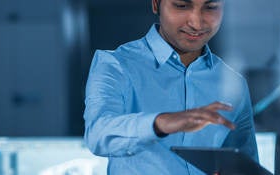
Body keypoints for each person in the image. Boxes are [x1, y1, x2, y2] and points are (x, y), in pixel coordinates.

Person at [83, 0, 258, 174]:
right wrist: (162, 122)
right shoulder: (116, 64)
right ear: (155, 4)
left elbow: (243, 166)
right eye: (181, 6)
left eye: (211, 7)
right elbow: (98, 134)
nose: (196, 23)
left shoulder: (233, 81)